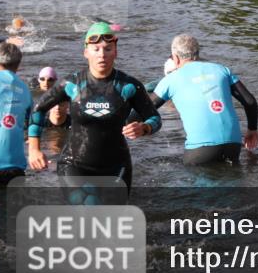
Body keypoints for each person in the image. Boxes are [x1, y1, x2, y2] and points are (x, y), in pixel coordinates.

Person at [28, 22, 161, 190]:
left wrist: (145, 128)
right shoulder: (72, 84)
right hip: (74, 165)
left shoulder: (129, 86)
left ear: (115, 52)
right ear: (86, 52)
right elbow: (39, 109)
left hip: (116, 167)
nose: (102, 55)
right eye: (96, 49)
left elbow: (155, 118)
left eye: (108, 49)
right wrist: (34, 149)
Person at [150, 34, 258, 165]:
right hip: (233, 144)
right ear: (197, 54)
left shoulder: (170, 79)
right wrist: (252, 129)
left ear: (176, 58)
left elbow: (145, 108)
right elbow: (250, 101)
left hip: (200, 150)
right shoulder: (222, 70)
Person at [0, 42, 45, 187]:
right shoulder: (25, 89)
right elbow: (34, 122)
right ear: (18, 65)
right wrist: (34, 149)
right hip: (16, 169)